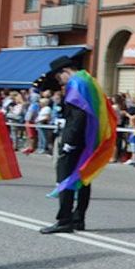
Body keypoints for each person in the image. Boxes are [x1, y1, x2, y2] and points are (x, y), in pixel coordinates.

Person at [40, 56, 93, 234]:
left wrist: (69, 141)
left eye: (58, 77)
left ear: (65, 71)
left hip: (75, 139)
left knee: (64, 177)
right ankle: (79, 219)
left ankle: (64, 220)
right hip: (88, 138)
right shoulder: (87, 80)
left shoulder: (75, 84)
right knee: (84, 178)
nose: (60, 82)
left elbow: (79, 115)